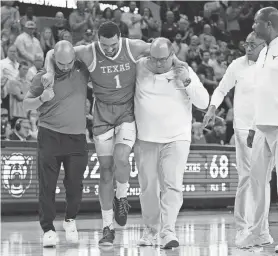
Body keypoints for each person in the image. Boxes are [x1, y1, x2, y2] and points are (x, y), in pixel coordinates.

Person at [42, 21, 186, 246]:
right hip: (102, 117)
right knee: (106, 172)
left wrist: (179, 64)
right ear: (98, 40)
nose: (109, 49)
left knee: (121, 157)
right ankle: (107, 228)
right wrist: (50, 72)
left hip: (126, 114)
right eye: (105, 45)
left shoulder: (133, 47)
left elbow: (162, 49)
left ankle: (122, 196)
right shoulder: (88, 52)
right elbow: (53, 51)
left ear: (120, 39)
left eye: (112, 45)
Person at [134, 38, 209, 249]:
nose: (158, 64)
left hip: (176, 138)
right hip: (146, 138)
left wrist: (187, 81)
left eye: (163, 59)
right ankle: (150, 231)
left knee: (172, 186)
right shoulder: (139, 67)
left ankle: (168, 231)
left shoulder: (184, 71)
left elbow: (203, 102)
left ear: (172, 55)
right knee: (148, 187)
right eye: (154, 59)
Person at [23, 40, 90, 247]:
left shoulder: (82, 70)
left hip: (77, 138)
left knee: (75, 186)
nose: (65, 67)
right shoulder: (42, 77)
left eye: (69, 63)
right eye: (61, 64)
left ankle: (70, 220)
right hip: (49, 135)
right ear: (54, 60)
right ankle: (48, 229)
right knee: (47, 186)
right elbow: (26, 103)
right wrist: (42, 98)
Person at [203, 32, 265, 245]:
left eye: (253, 45)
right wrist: (212, 108)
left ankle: (261, 230)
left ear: (264, 46)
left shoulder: (271, 66)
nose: (248, 48)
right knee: (247, 178)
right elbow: (221, 89)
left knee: (263, 180)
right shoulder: (237, 65)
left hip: (266, 128)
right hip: (243, 129)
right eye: (246, 44)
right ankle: (242, 228)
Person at [238, 7, 278, 250]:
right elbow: (261, 92)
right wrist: (253, 126)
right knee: (257, 181)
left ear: (269, 25)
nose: (253, 27)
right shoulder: (264, 53)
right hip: (262, 125)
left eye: (256, 23)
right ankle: (259, 233)